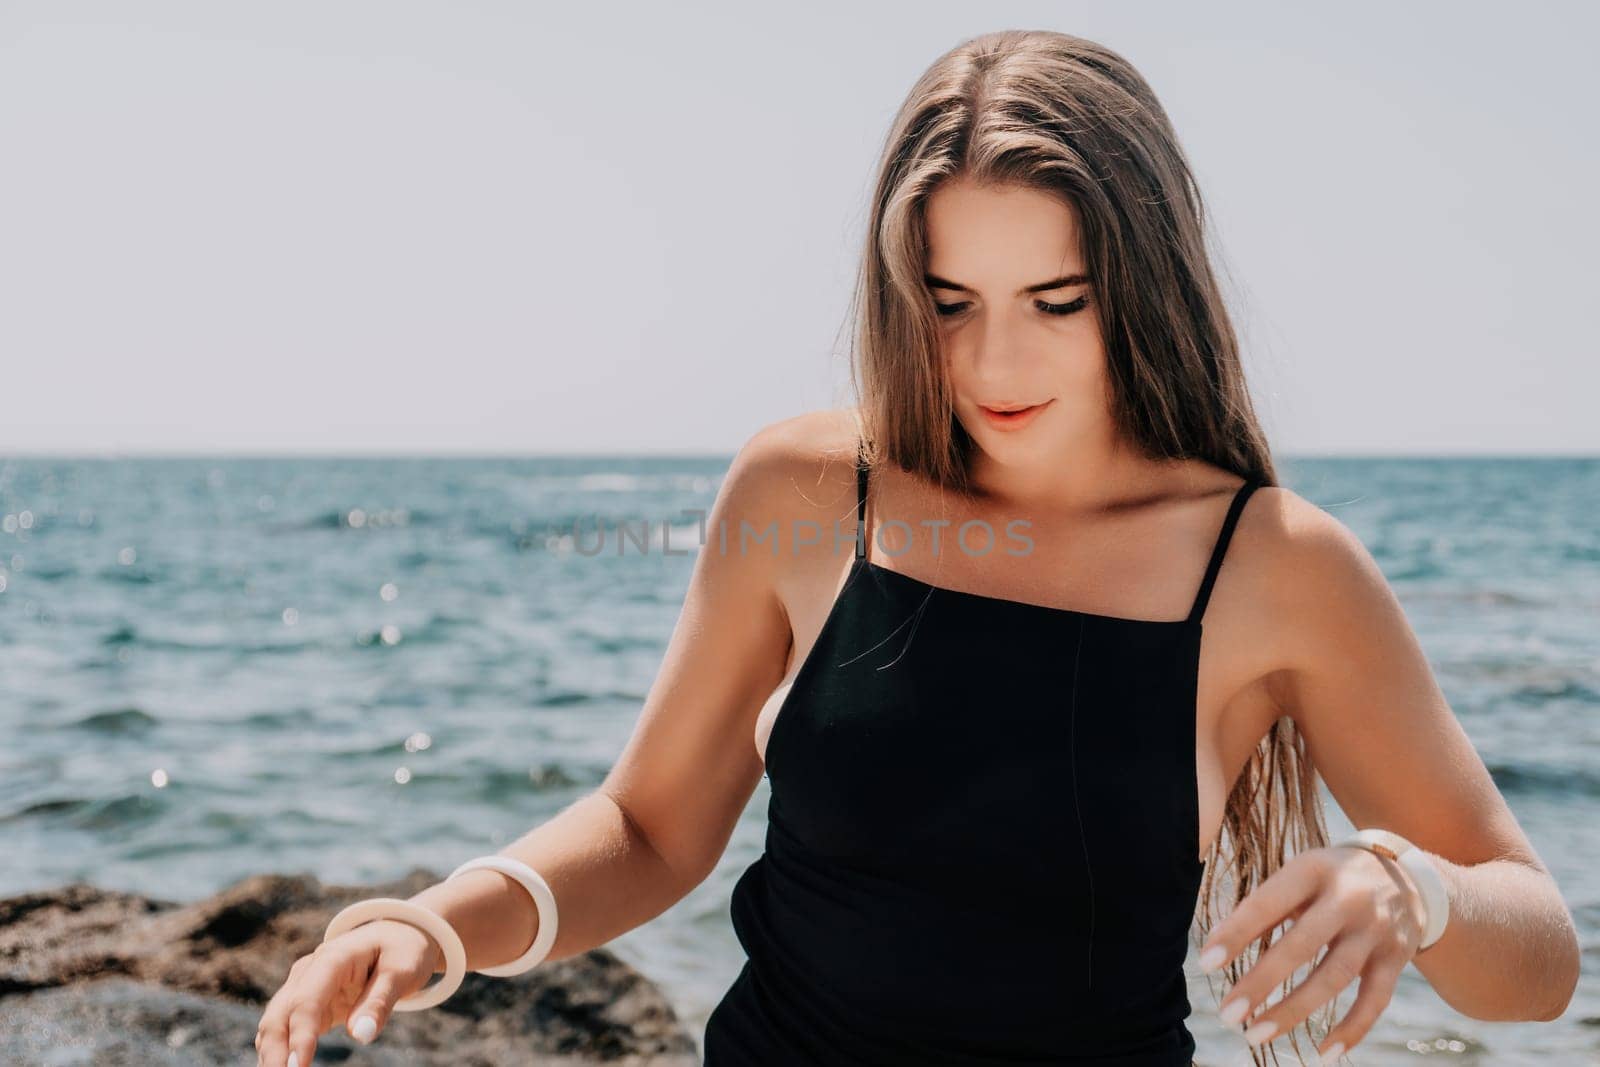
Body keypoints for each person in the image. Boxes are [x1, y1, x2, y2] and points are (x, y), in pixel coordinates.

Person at [253, 28, 1579, 1067]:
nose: (995, 362)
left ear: (1143, 284)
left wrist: (1411, 886)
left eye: (1056, 302)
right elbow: (651, 828)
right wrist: (435, 926)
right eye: (949, 303)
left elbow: (1543, 957)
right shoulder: (805, 488)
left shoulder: (1277, 568)